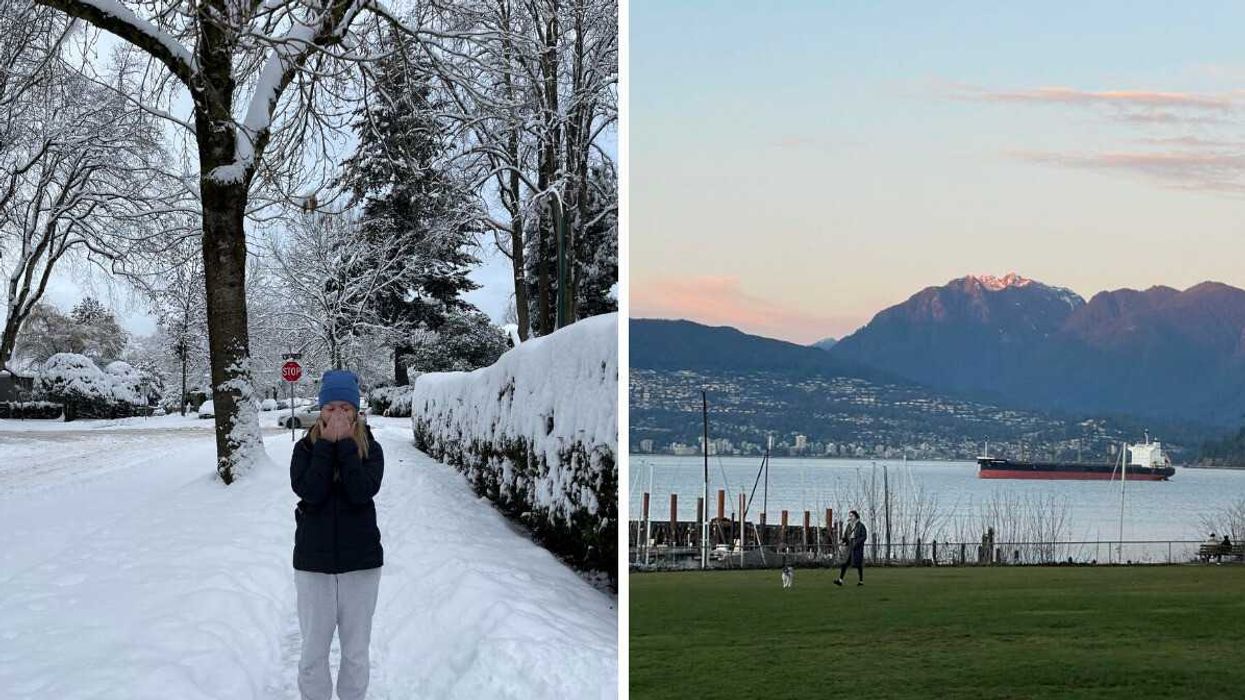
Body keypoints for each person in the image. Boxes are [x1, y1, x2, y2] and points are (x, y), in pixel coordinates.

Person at [291, 369, 384, 700]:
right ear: (321, 410)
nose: (338, 415)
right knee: (313, 654)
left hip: (361, 564)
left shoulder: (371, 449)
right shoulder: (304, 450)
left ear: (356, 411)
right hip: (313, 565)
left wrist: (345, 445)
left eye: (346, 407)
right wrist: (326, 448)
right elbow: (310, 492)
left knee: (356, 653)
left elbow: (361, 492)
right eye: (331, 408)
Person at [834, 510, 868, 587]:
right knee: (844, 563)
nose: (850, 517)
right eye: (850, 516)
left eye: (851, 515)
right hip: (849, 548)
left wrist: (857, 543)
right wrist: (842, 541)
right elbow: (845, 536)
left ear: (856, 516)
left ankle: (861, 581)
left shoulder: (861, 526)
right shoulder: (849, 526)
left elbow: (864, 536)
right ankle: (840, 580)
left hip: (857, 548)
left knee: (858, 564)